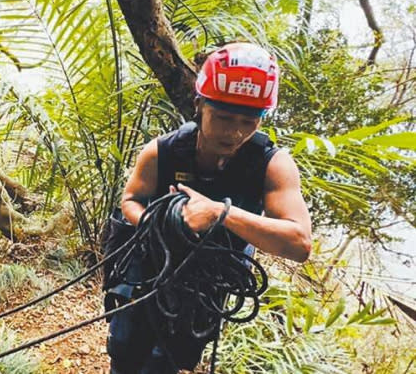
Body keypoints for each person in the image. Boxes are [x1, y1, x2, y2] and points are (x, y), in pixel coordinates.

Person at [106, 43, 312, 373]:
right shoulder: (163, 151)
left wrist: (219, 213)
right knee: (125, 351)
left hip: (204, 285)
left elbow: (299, 244)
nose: (234, 132)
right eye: (223, 117)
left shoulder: (272, 165)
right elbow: (130, 200)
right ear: (199, 104)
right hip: (148, 271)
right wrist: (161, 223)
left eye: (249, 120)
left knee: (168, 361)